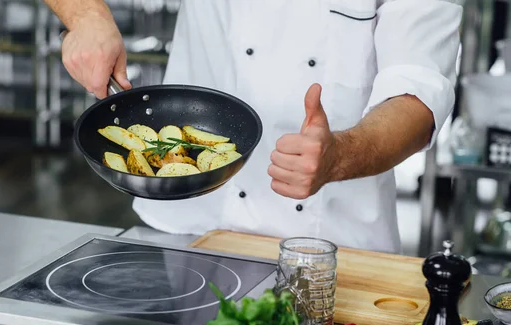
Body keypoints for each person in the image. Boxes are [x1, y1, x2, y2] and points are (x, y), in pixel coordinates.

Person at [46, 0, 463, 254]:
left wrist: (341, 155)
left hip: (334, 245)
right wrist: (86, 15)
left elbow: (418, 90)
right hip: (189, 225)